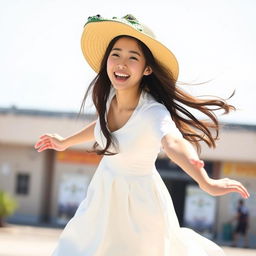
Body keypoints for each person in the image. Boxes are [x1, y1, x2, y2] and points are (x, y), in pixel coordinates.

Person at [34, 14, 250, 256]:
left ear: (147, 69)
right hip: (103, 197)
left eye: (132, 57)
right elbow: (101, 125)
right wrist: (64, 142)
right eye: (115, 54)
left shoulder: (153, 112)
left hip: (140, 206)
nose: (121, 63)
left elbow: (172, 141)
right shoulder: (109, 97)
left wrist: (204, 180)